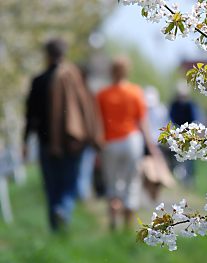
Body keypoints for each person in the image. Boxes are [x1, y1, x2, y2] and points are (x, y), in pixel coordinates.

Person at [23, 38, 103, 232]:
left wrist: (24, 141)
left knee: (52, 186)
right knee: (69, 184)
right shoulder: (76, 78)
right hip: (73, 142)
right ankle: (64, 211)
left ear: (47, 55)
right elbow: (88, 108)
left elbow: (31, 116)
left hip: (46, 142)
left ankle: (55, 227)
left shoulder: (39, 80)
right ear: (64, 53)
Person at [96, 57, 158, 229]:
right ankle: (127, 226)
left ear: (111, 71)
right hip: (132, 141)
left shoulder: (103, 94)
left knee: (113, 181)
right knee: (132, 182)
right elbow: (143, 122)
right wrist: (151, 147)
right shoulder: (135, 92)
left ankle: (113, 220)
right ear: (127, 71)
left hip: (110, 143)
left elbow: (98, 121)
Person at [169, 82, 200, 187]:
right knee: (176, 156)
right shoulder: (174, 105)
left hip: (189, 134)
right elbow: (171, 118)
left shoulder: (191, 105)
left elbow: (195, 119)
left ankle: (189, 181)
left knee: (189, 158)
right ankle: (176, 179)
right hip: (177, 133)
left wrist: (189, 131)